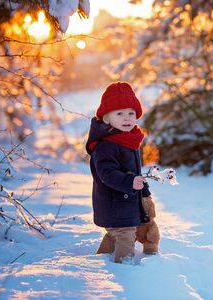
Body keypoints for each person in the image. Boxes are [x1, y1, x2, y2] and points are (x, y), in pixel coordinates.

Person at [85, 81, 151, 264]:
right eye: (120, 113)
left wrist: (144, 191)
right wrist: (129, 182)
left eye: (131, 113)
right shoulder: (106, 145)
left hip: (125, 203)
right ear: (107, 118)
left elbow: (134, 172)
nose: (127, 118)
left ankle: (101, 258)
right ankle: (124, 268)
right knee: (125, 235)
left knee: (116, 234)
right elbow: (106, 173)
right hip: (114, 203)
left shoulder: (128, 140)